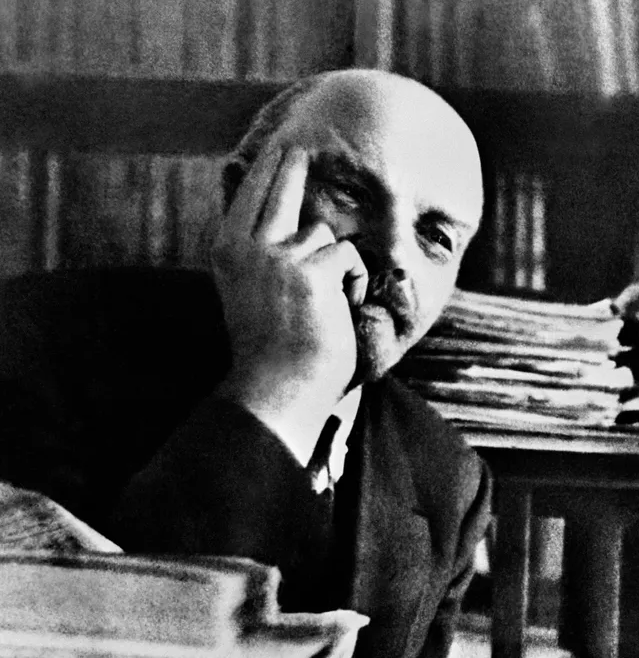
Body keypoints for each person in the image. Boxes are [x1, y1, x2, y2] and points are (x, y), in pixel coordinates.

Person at [0, 69, 491, 658]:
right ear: (241, 195)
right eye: (351, 193)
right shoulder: (31, 348)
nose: (393, 253)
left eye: (436, 236)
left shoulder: (448, 479)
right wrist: (284, 383)